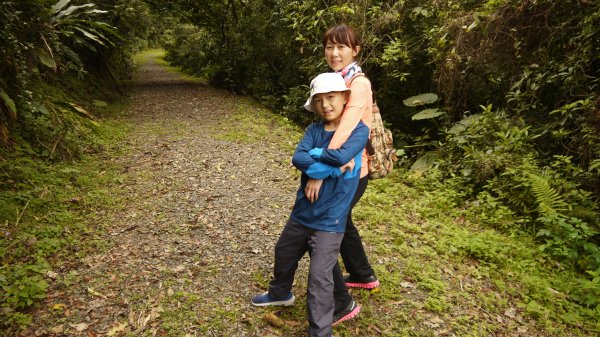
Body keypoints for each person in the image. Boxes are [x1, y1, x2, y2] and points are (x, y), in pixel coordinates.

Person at [251, 72, 369, 337]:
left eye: (331, 97)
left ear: (345, 98)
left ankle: (320, 331)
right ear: (314, 104)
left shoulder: (358, 131)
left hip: (330, 220)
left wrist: (318, 155)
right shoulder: (314, 130)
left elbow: (342, 154)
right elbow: (298, 158)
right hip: (302, 213)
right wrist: (332, 168)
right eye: (319, 99)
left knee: (319, 279)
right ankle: (280, 293)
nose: (326, 104)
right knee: (284, 252)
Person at [304, 24, 380, 317]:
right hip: (345, 166)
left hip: (346, 170)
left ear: (355, 50)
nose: (334, 53)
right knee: (343, 219)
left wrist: (318, 171)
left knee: (319, 227)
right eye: (329, 47)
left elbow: (345, 131)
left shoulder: (358, 84)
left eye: (342, 47)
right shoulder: (335, 80)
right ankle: (362, 274)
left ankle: (341, 302)